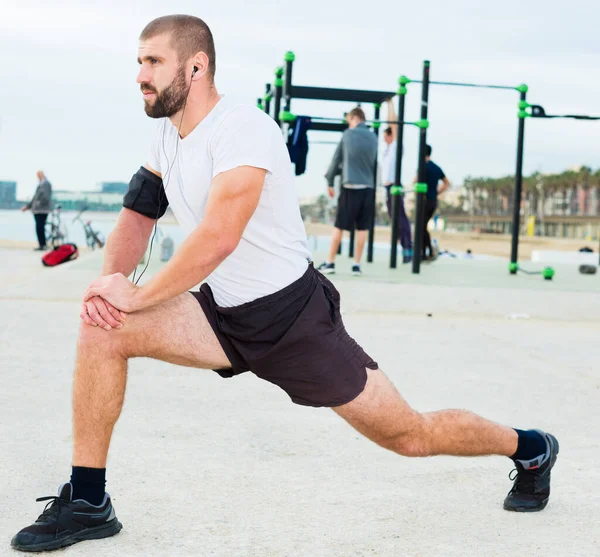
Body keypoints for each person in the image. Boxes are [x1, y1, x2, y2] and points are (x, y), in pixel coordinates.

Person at [12, 14, 559, 553]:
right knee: (103, 328)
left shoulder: (244, 129)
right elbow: (137, 215)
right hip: (220, 315)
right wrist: (112, 283)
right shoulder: (166, 135)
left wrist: (139, 294)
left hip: (293, 320)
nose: (140, 75)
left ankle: (530, 448)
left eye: (153, 61)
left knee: (408, 435)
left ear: (196, 66)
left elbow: (219, 237)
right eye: (139, 62)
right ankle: (88, 501)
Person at [318, 106, 378, 276]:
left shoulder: (348, 135)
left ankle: (330, 262)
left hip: (350, 187)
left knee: (339, 226)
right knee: (362, 229)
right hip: (368, 189)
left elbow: (336, 159)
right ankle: (356, 265)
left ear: (354, 118)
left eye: (348, 121)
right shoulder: (374, 137)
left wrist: (329, 180)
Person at [381, 99, 412, 263]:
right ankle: (405, 248)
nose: (384, 139)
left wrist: (390, 104)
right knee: (395, 219)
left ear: (391, 135)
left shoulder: (395, 146)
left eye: (386, 136)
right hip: (388, 188)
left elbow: (393, 123)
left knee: (400, 218)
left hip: (395, 186)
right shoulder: (387, 149)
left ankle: (408, 248)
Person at [415, 145, 451, 261]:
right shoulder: (436, 168)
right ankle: (427, 251)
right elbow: (447, 183)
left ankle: (426, 252)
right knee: (423, 226)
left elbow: (415, 181)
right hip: (433, 201)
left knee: (421, 226)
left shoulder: (422, 167)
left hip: (424, 200)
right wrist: (437, 192)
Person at [21, 170, 52, 250]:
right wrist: (28, 207)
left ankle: (43, 245)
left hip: (42, 210)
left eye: (39, 175)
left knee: (40, 227)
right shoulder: (40, 184)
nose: (38, 177)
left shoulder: (46, 184)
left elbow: (46, 197)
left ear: (42, 175)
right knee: (39, 227)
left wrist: (38, 204)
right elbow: (34, 198)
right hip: (37, 210)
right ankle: (41, 244)